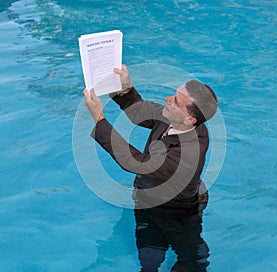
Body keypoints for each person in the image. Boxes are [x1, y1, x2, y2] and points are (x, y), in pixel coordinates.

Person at [83, 64, 218, 271]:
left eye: (176, 102)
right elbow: (140, 112)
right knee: (149, 259)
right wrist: (125, 89)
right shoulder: (177, 118)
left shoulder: (187, 156)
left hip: (178, 211)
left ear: (190, 119)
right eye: (173, 94)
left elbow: (134, 161)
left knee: (193, 259)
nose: (168, 100)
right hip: (148, 201)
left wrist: (99, 119)